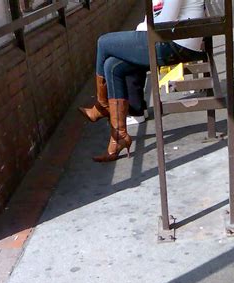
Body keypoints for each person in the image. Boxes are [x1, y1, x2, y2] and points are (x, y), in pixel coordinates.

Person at [79, 0, 206, 162]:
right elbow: (154, 17)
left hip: (177, 44)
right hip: (172, 39)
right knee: (113, 66)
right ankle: (119, 137)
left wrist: (139, 33)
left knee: (103, 42)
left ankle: (102, 105)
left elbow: (161, 22)